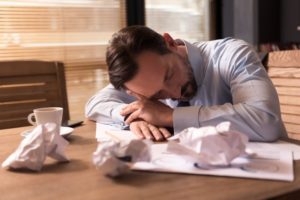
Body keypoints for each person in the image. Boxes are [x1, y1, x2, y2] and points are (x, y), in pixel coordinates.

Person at [85, 25, 287, 142]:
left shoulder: (232, 54)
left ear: (170, 43)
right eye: (156, 95)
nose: (174, 93)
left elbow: (266, 121)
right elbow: (95, 104)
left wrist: (169, 116)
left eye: (169, 75)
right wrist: (136, 116)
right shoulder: (138, 78)